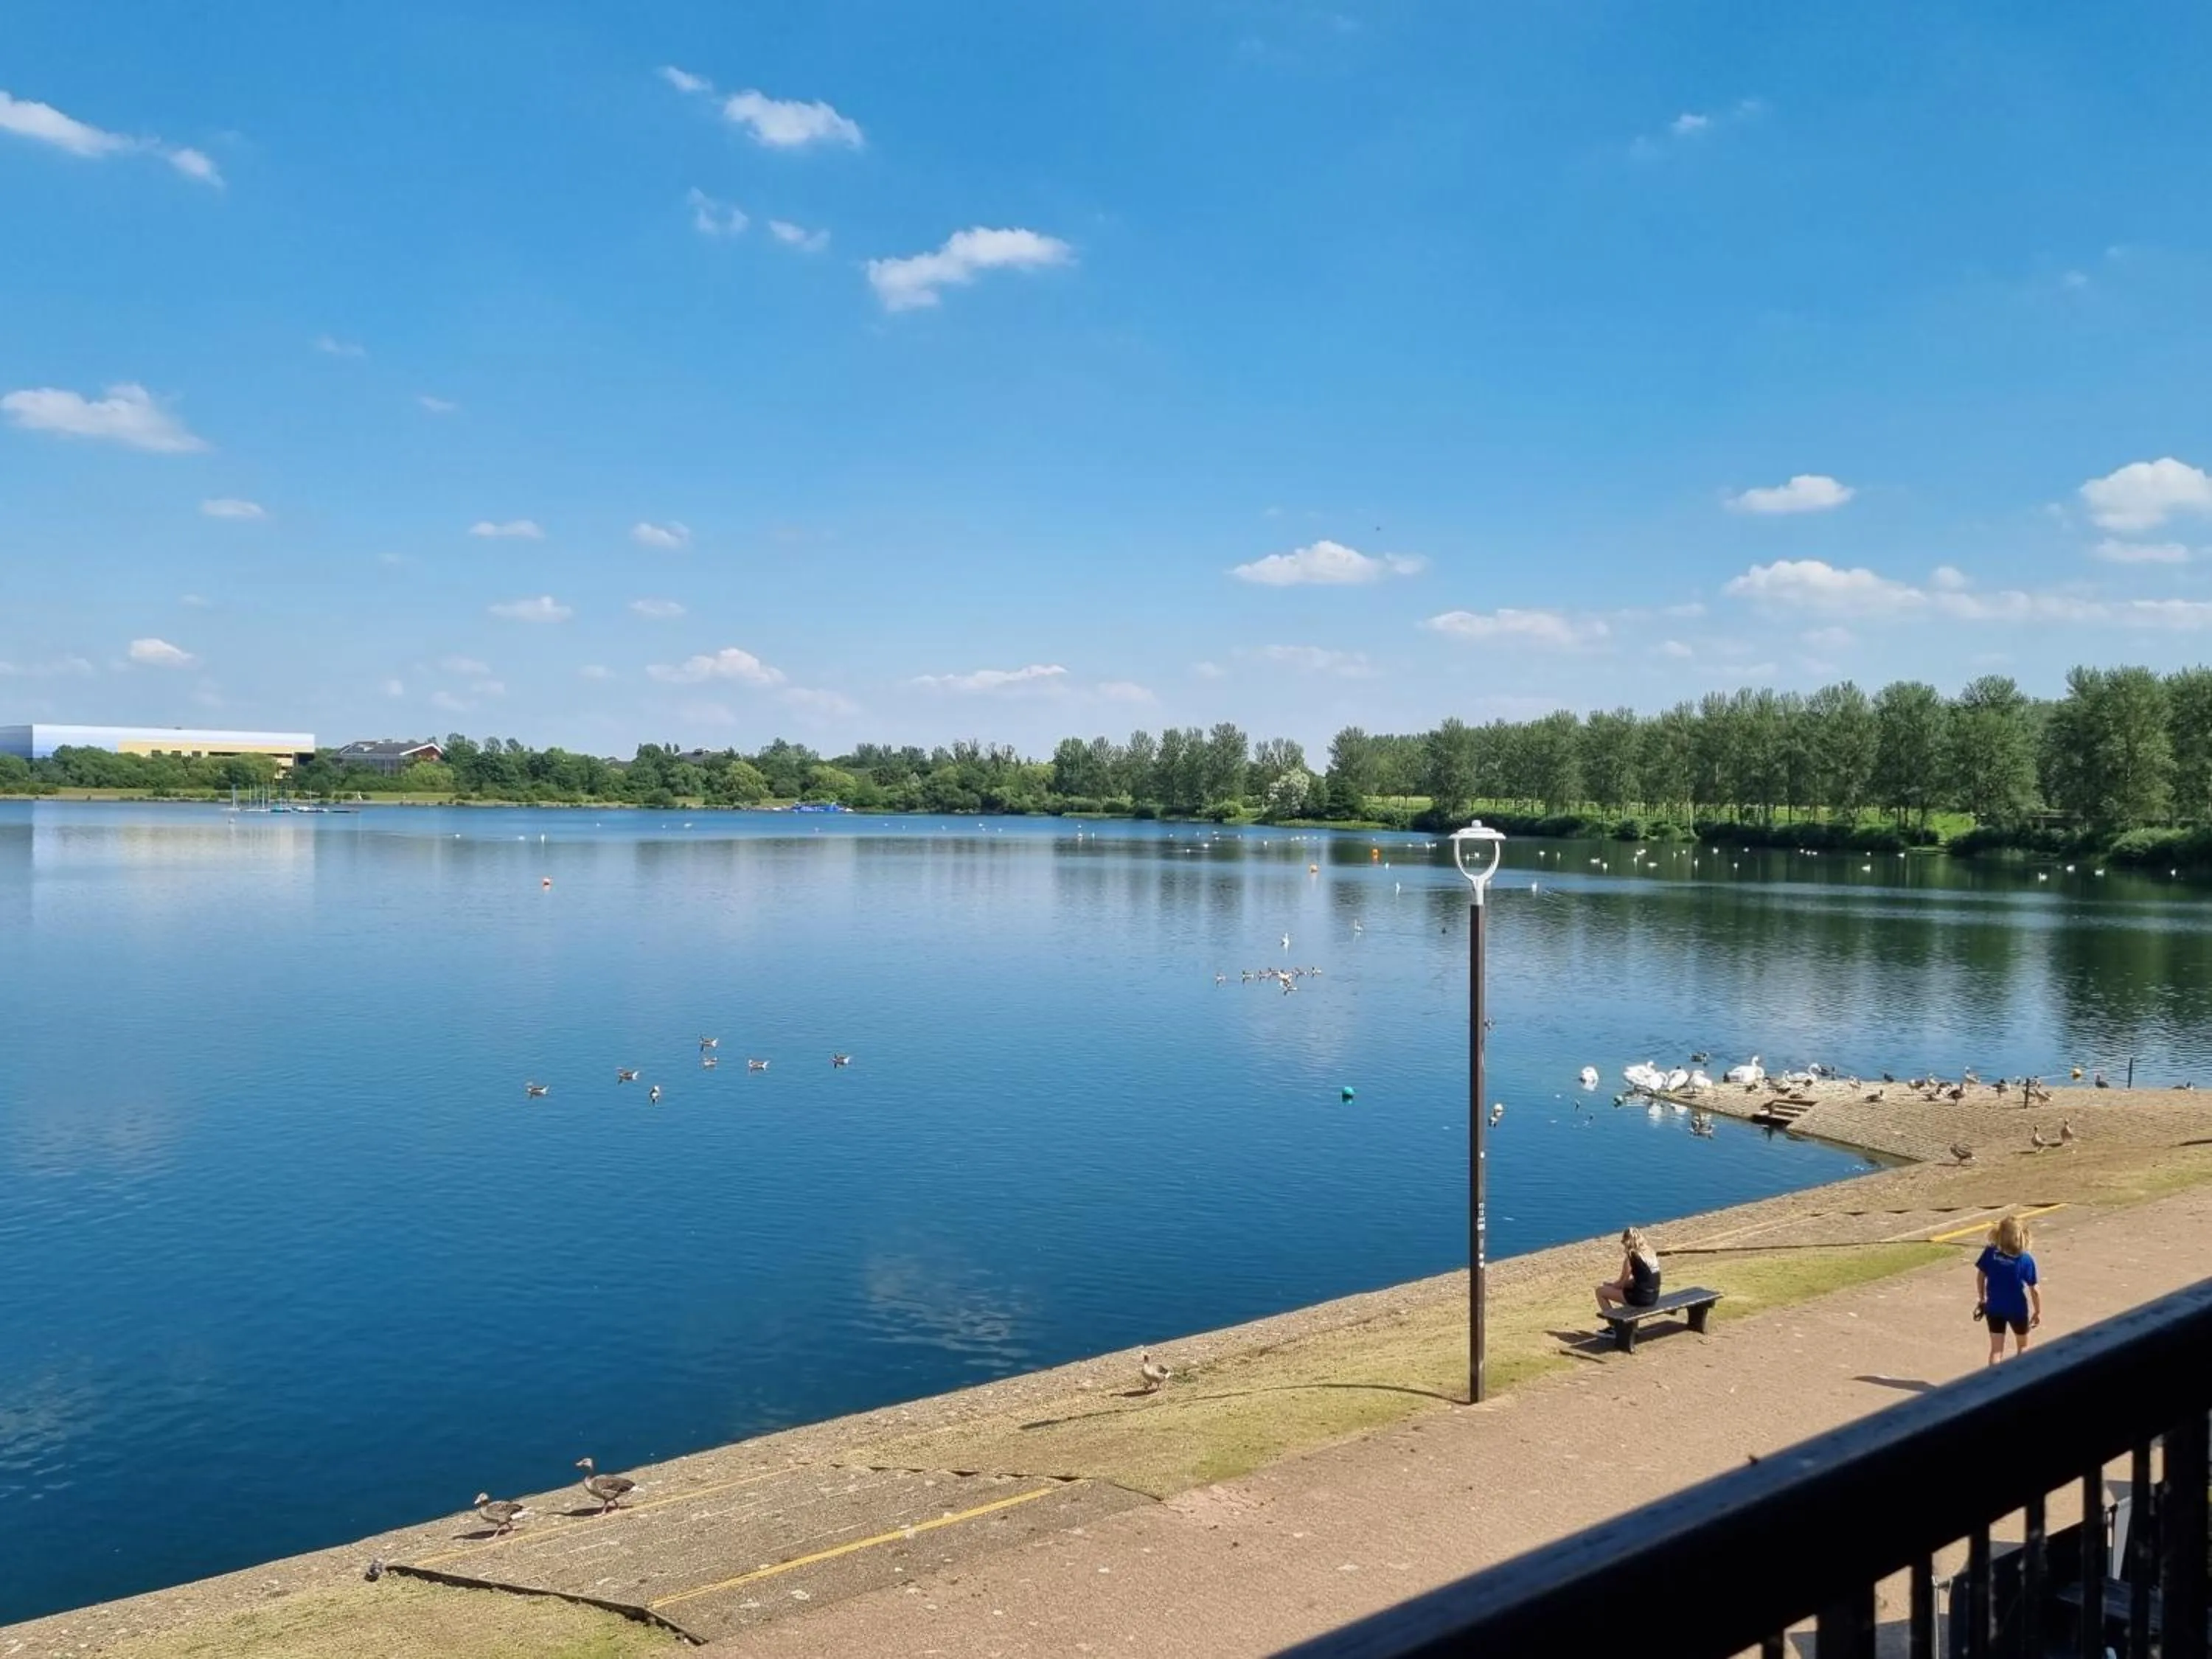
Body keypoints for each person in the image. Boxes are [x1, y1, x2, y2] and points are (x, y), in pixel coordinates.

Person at [1975, 1213, 2042, 1365]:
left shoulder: (1990, 1252)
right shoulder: (2025, 1259)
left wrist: (1982, 1297)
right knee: (2023, 1346)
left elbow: (1981, 1276)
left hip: (1994, 1308)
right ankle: (2018, 1379)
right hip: (2017, 1309)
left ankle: (1993, 1381)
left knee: (1996, 1350)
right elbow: (2035, 1290)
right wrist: (2038, 1311)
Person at [1596, 1227, 1662, 1321]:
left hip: (1641, 1298)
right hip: (1654, 1297)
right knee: (1627, 1289)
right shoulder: (1650, 1253)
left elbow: (1621, 1284)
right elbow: (1644, 1279)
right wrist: (1622, 1285)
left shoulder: (1631, 1257)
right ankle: (1629, 1325)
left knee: (1600, 1291)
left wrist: (1611, 1285)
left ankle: (1614, 1325)